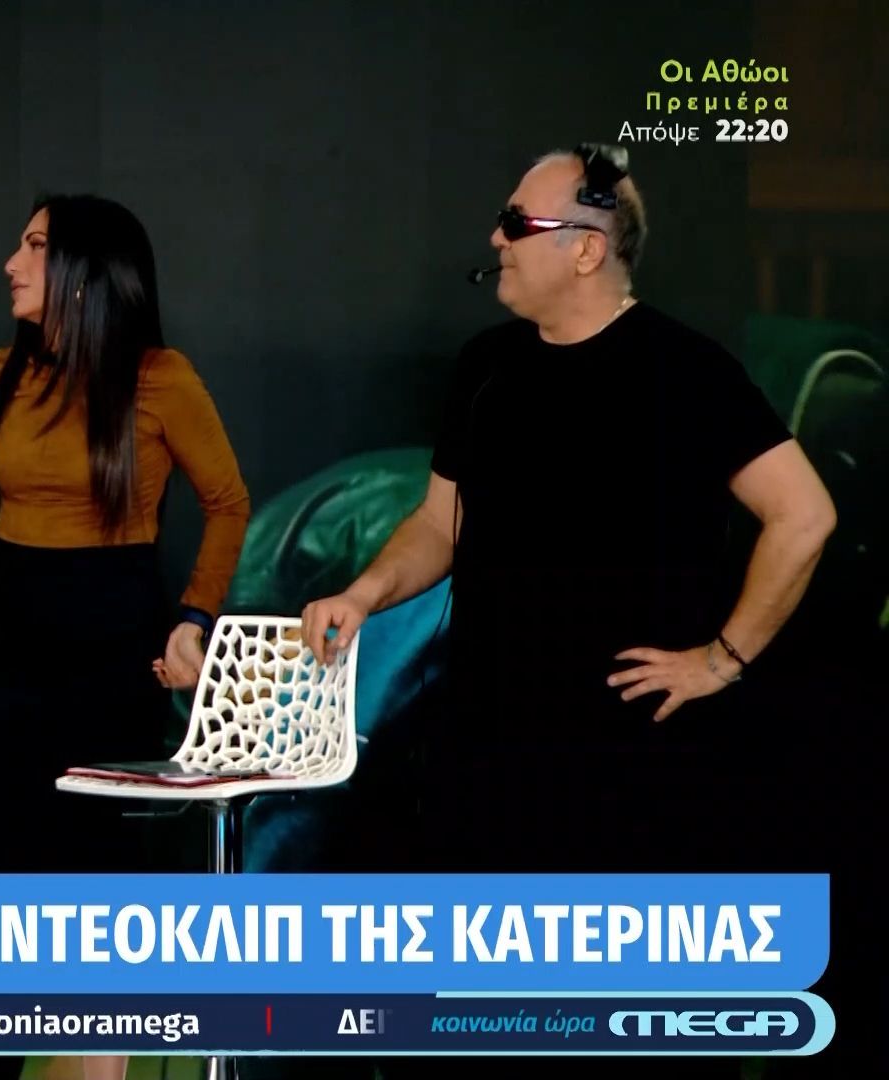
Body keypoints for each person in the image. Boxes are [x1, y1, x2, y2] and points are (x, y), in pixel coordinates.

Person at [300, 144, 836, 875]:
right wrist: (363, 595)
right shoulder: (485, 366)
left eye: (517, 223)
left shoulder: (687, 371)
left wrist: (722, 660)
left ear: (586, 250)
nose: (496, 238)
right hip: (487, 749)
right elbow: (437, 524)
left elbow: (804, 514)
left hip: (630, 763)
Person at [0, 194, 251, 1080]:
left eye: (34, 246)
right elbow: (16, 522)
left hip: (108, 657)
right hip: (7, 656)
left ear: (83, 273)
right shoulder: (0, 373)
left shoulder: (160, 379)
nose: (10, 263)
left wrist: (193, 620)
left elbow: (227, 504)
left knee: (90, 908)